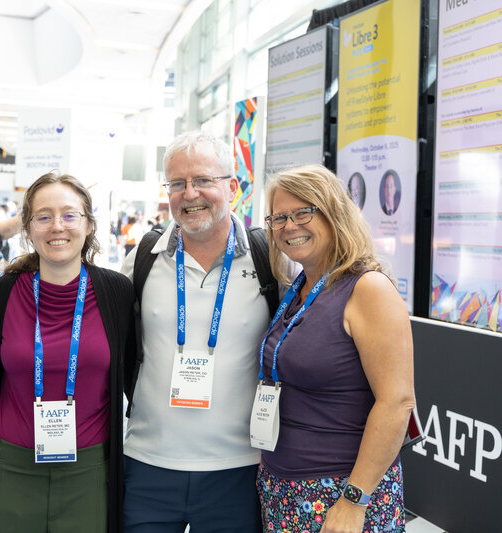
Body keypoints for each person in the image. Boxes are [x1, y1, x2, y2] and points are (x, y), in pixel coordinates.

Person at [121, 131, 274, 532]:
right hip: (146, 465)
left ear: (232, 186)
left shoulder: (270, 259)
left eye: (204, 180)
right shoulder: (143, 257)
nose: (190, 194)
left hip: (240, 469)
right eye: (177, 183)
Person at [0, 172, 135, 533]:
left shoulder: (117, 293)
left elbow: (133, 376)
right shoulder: (3, 293)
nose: (57, 226)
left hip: (89, 472)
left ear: (89, 225)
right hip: (12, 467)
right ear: (28, 228)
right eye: (43, 216)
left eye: (69, 215)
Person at [257, 164, 415, 532]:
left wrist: (353, 500)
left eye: (303, 212)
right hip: (283, 491)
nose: (289, 226)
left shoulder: (367, 288)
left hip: (341, 496)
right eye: (279, 217)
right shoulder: (298, 289)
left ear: (334, 214)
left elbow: (397, 403)